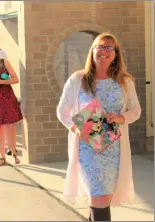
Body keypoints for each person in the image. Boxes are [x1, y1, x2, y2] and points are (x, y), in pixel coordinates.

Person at [56, 33, 141, 221]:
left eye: (110, 48)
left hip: (114, 149)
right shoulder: (78, 79)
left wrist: (121, 117)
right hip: (87, 149)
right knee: (99, 198)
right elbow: (62, 111)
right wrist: (75, 128)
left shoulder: (125, 81)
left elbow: (136, 110)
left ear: (116, 54)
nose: (104, 51)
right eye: (100, 46)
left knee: (103, 199)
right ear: (92, 51)